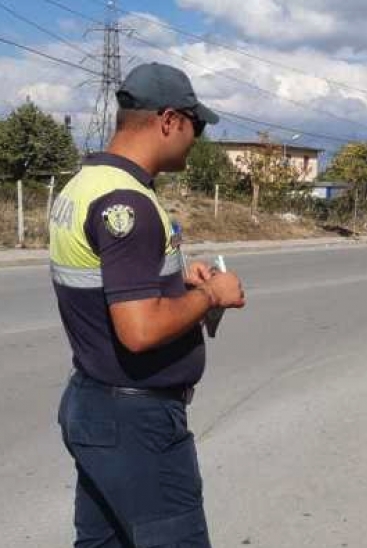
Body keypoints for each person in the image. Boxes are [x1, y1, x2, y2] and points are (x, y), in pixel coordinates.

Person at [50, 62, 245, 547]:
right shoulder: (128, 204)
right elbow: (138, 330)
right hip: (135, 424)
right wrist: (209, 295)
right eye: (196, 126)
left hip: (95, 407)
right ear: (169, 120)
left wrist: (180, 282)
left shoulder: (84, 185)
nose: (195, 139)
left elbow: (109, 285)